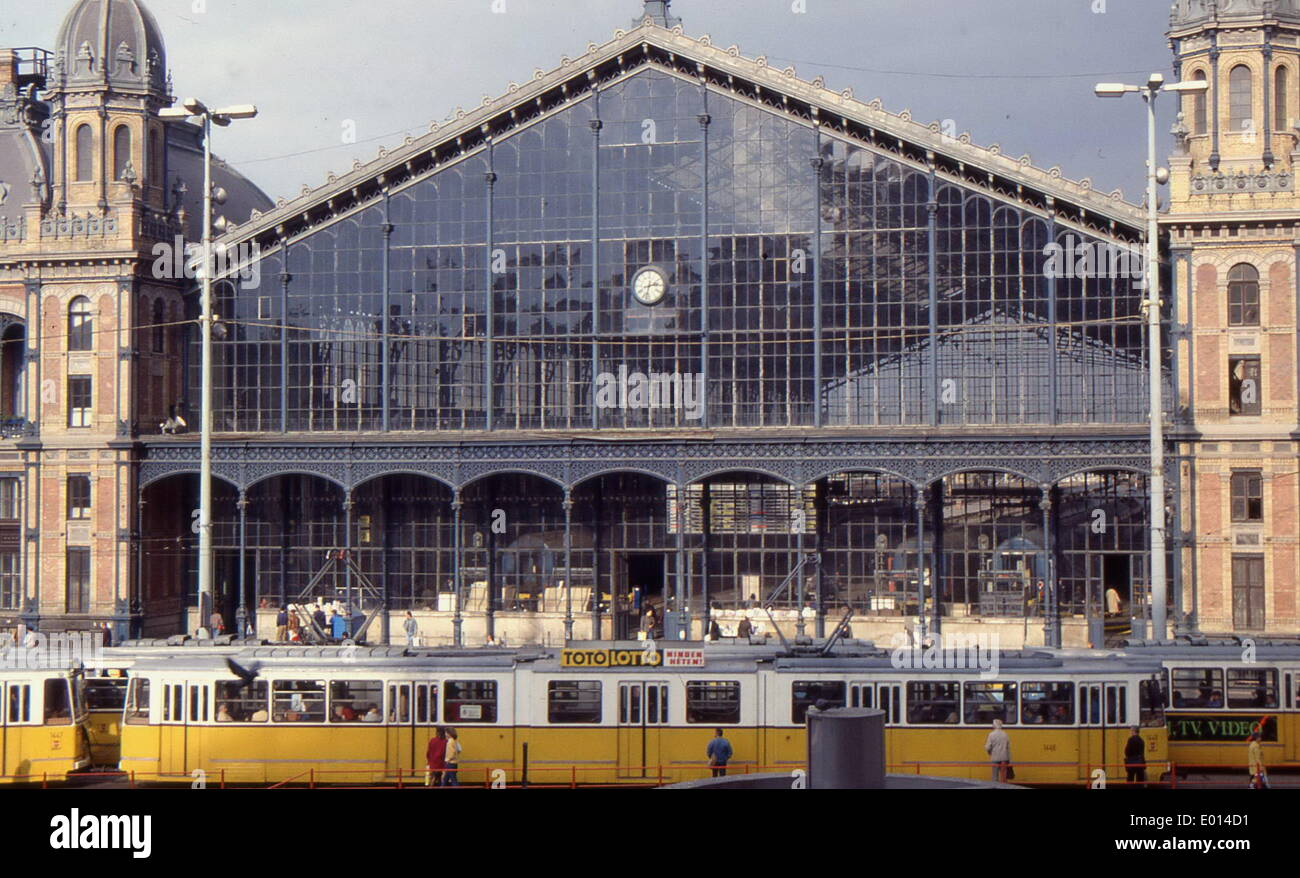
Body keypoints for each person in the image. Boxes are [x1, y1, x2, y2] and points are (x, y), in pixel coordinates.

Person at [984, 718, 1012, 783]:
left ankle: (995, 786)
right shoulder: (1005, 734)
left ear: (994, 725)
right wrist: (1008, 758)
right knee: (1003, 776)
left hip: (995, 757)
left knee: (995, 775)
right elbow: (1008, 747)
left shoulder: (991, 734)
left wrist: (989, 752)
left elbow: (988, 747)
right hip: (1004, 758)